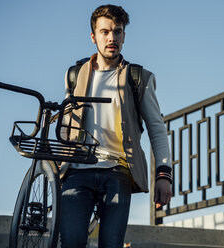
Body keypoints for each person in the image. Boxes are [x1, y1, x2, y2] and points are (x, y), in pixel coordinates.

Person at [59, 4, 172, 248]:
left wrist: (164, 175)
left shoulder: (139, 78)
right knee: (71, 241)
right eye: (105, 32)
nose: (112, 38)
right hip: (77, 169)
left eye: (118, 31)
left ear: (124, 35)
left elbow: (156, 128)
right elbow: (67, 123)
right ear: (93, 37)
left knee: (111, 244)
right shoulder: (74, 74)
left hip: (118, 171)